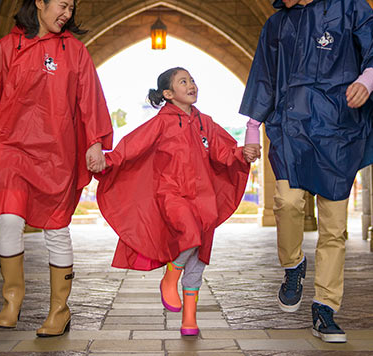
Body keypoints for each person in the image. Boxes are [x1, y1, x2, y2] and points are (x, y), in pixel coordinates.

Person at [240, 0, 373, 343]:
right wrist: (251, 127)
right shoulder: (276, 26)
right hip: (290, 128)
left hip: (337, 130)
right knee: (287, 203)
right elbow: (263, 75)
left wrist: (368, 80)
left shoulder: (350, 9)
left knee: (334, 227)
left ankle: (325, 308)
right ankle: (293, 263)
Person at [0, 0, 113, 337]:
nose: (67, 14)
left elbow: (89, 100)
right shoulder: (6, 48)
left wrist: (94, 142)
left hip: (56, 151)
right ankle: (12, 300)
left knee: (56, 227)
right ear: (39, 3)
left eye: (71, 8)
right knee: (9, 220)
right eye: (62, 6)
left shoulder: (76, 52)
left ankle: (60, 309)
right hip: (9, 147)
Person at [96, 67, 254, 336]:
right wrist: (107, 160)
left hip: (204, 200)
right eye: (184, 81)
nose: (192, 84)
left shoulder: (206, 122)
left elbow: (223, 152)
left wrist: (242, 153)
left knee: (199, 257)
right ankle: (170, 278)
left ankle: (189, 318)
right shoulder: (161, 123)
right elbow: (132, 145)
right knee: (189, 234)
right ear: (168, 94)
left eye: (192, 80)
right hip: (171, 193)